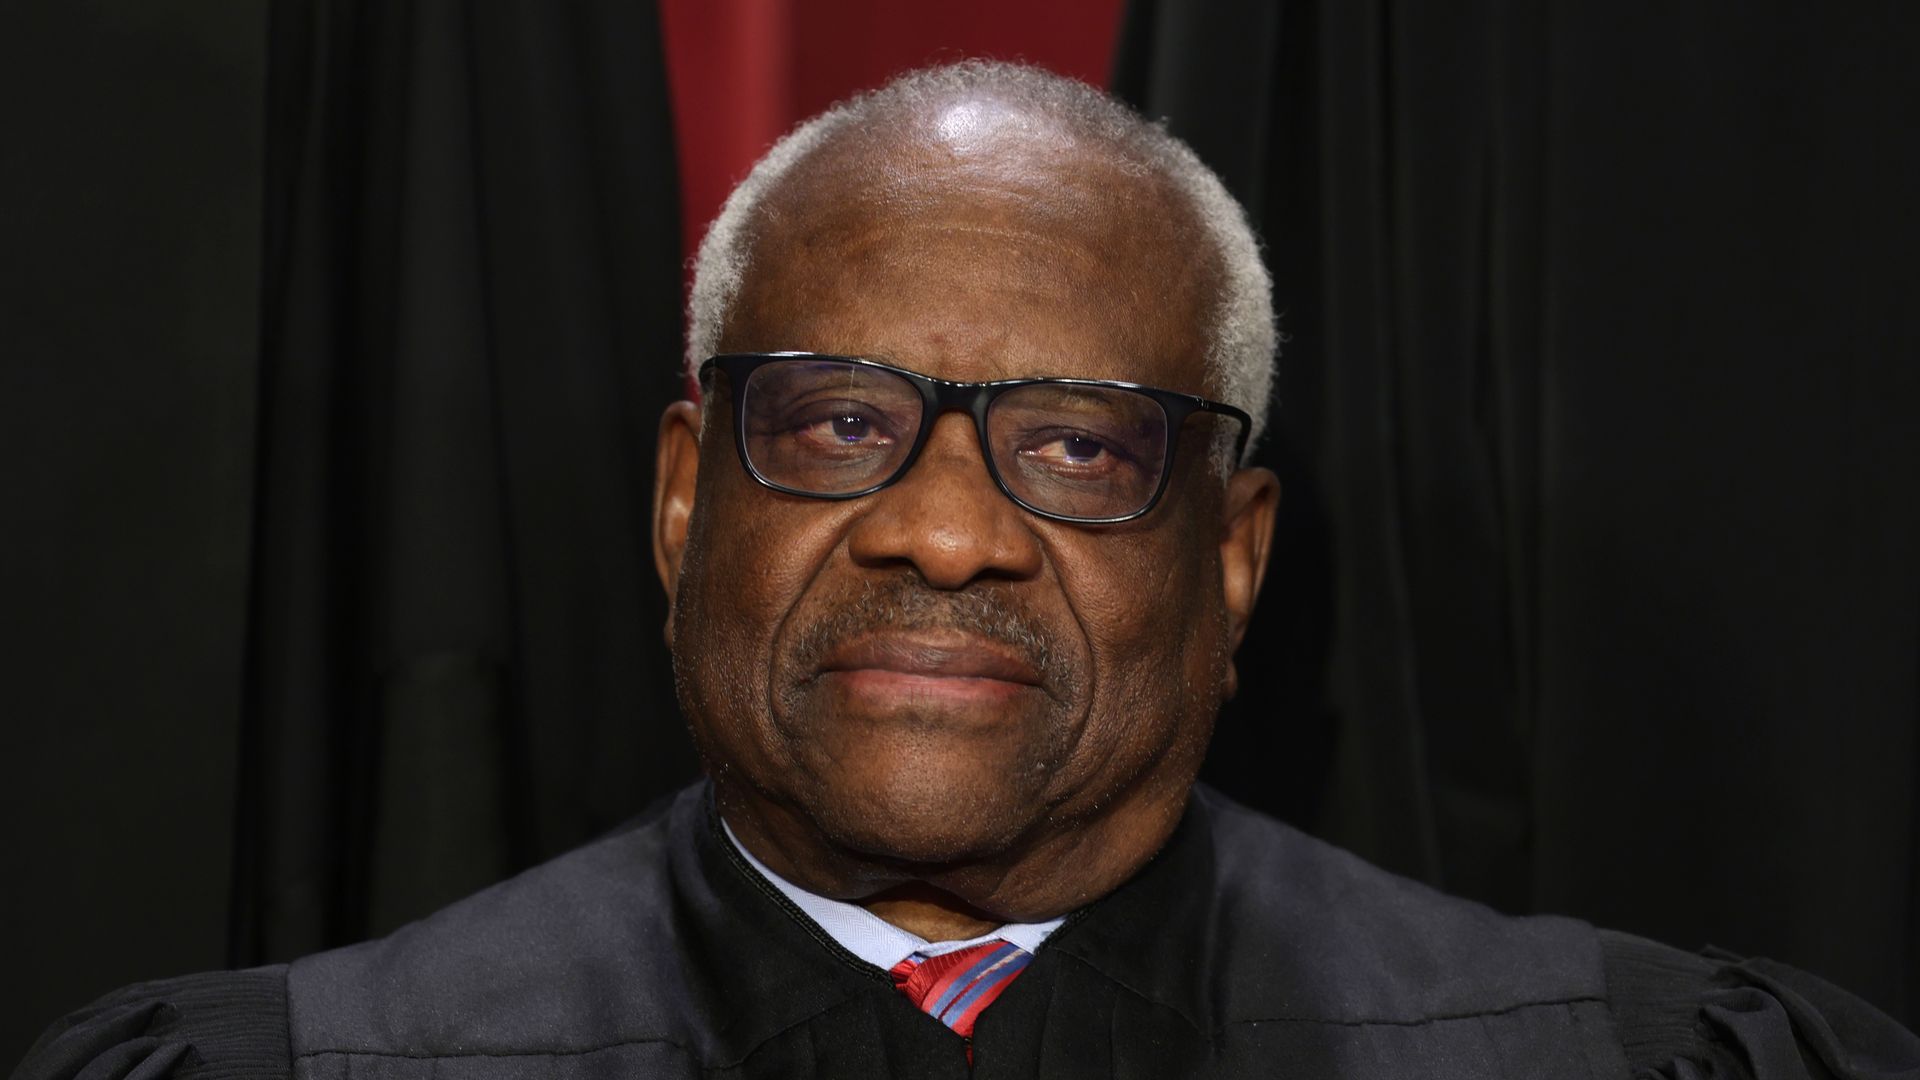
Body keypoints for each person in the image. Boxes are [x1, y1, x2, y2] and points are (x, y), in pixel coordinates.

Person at [17, 60, 1918, 1080]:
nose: (945, 528)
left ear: (1236, 562)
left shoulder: (1603, 1062)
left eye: (1084, 446)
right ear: (687, 506)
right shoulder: (322, 1068)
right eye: (841, 422)